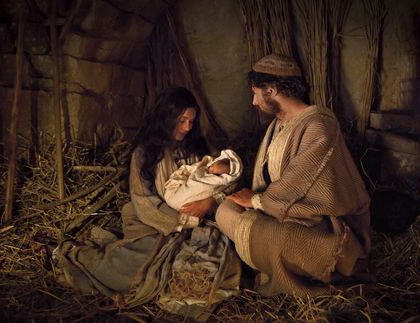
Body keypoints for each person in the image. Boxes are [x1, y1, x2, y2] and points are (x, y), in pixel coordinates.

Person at [53, 87, 241, 319]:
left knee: (209, 266)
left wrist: (210, 203)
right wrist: (183, 221)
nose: (187, 127)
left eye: (191, 121)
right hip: (154, 222)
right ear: (166, 118)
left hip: (201, 221)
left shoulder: (200, 151)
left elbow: (226, 182)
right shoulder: (144, 154)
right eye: (181, 120)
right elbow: (145, 202)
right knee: (128, 270)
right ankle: (77, 254)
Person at [215, 54, 372, 297]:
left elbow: (299, 182)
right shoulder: (276, 124)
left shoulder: (319, 124)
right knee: (225, 210)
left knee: (278, 238)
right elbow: (268, 178)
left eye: (256, 93)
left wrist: (256, 201)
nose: (254, 101)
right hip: (278, 210)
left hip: (319, 223)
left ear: (272, 89)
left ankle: (299, 259)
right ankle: (262, 239)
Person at [164, 149, 243, 228]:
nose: (211, 170)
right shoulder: (204, 167)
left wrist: (210, 201)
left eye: (217, 174)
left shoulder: (222, 181)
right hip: (175, 195)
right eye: (211, 166)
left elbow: (226, 188)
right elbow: (192, 171)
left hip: (189, 206)